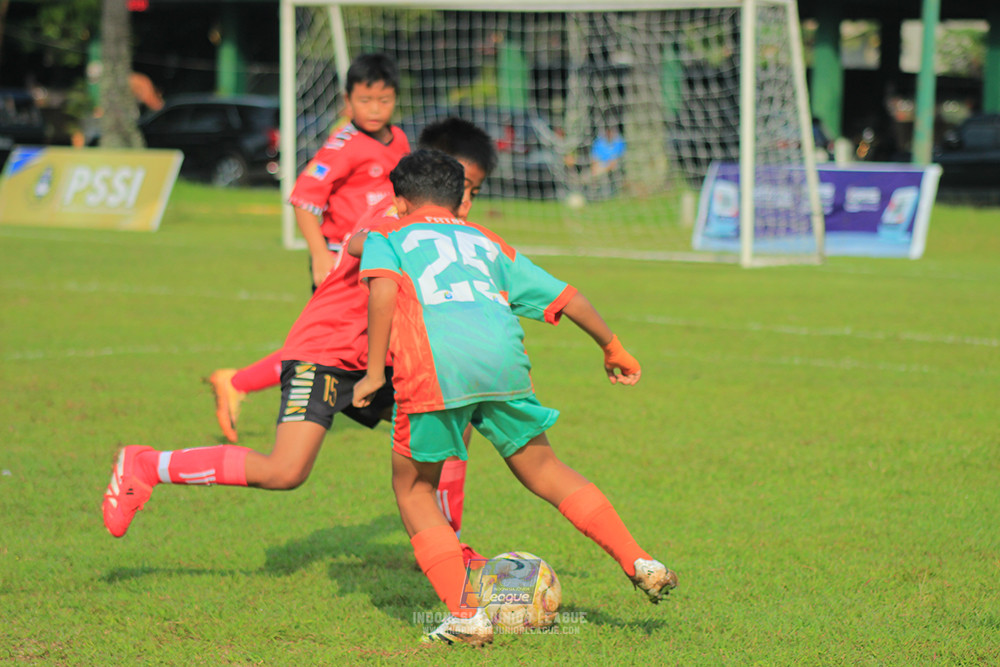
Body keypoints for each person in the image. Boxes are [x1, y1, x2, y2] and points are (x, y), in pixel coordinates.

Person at [101, 120, 498, 562]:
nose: (465, 202)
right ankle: (146, 465)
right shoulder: (395, 213)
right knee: (285, 471)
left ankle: (451, 549)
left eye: (474, 192)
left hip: (376, 364)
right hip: (326, 353)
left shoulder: (449, 232)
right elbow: (360, 243)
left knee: (453, 426)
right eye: (461, 188)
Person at [351, 149, 677, 647]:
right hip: (504, 362)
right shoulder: (484, 239)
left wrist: (374, 372)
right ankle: (640, 559)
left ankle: (465, 615)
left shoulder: (387, 233)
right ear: (461, 197)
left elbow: (382, 292)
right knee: (545, 469)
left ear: (399, 201)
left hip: (436, 368)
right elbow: (568, 297)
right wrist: (613, 347)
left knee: (415, 490)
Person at [205, 52, 409, 445]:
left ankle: (385, 403)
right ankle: (239, 381)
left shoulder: (398, 139)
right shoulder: (343, 145)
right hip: (342, 265)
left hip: (378, 261)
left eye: (383, 100)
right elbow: (303, 198)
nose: (374, 109)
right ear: (348, 100)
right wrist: (320, 255)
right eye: (365, 101)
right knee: (326, 349)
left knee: (356, 344)